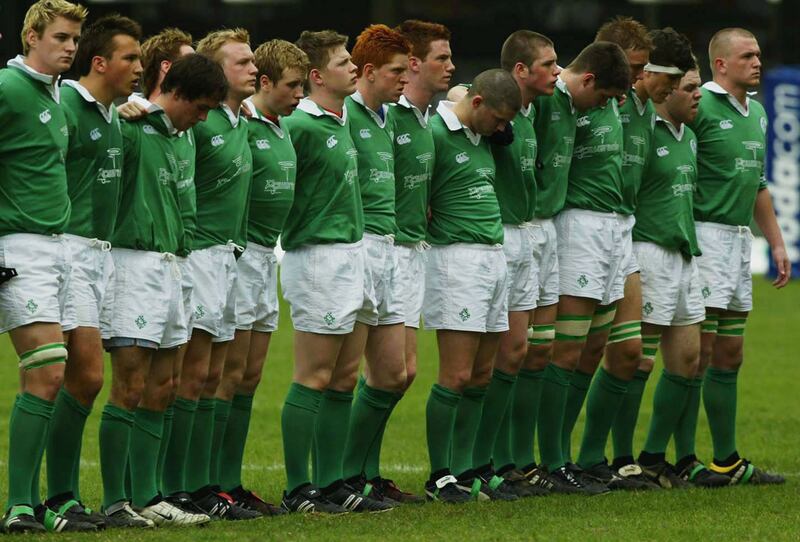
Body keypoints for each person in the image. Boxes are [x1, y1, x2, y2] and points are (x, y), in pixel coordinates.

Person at [97, 52, 226, 527]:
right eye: (201, 107)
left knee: (165, 386)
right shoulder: (131, 126)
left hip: (176, 266)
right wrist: (120, 108)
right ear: (178, 94)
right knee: (129, 385)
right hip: (134, 264)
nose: (204, 118)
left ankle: (149, 496)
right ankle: (115, 502)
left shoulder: (184, 137)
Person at [570, 23, 695, 490]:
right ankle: (553, 460)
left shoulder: (643, 111)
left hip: (621, 235)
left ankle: (597, 459)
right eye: (667, 76)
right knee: (561, 354)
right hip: (582, 232)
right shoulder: (603, 104)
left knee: (625, 354)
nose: (671, 87)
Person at [278, 30, 390, 514]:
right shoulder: (298, 124)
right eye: (343, 63)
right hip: (318, 257)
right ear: (317, 76)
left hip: (354, 254)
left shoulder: (343, 119)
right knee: (314, 375)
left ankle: (332, 483)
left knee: (345, 376)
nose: (353, 68)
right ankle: (298, 488)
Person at [39, 15, 142, 529]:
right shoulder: (66, 106)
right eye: (130, 58)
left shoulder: (114, 114)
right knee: (82, 375)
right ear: (100, 63)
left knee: (82, 379)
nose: (139, 68)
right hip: (69, 249)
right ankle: (56, 496)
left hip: (102, 254)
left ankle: (64, 497)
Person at [0, 0, 88, 533]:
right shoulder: (7, 88)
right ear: (31, 36)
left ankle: (46, 502)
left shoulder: (55, 94)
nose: (71, 47)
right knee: (48, 369)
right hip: (19, 247)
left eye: (75, 39)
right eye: (60, 37)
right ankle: (17, 505)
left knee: (66, 376)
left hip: (60, 247)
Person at [690, 27, 788, 484]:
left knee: (730, 353)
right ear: (721, 64)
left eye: (759, 54)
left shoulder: (759, 112)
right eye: (747, 55)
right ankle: (678, 458)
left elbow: (758, 183)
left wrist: (776, 241)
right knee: (697, 354)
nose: (757, 62)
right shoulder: (700, 106)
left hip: (737, 241)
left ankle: (726, 459)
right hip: (704, 238)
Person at [531, 40, 630, 494]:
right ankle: (550, 461)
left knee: (588, 349)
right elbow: (477, 95)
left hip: (608, 229)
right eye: (605, 96)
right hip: (574, 227)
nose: (609, 105)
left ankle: (562, 457)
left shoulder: (581, 103)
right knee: (563, 352)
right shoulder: (548, 98)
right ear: (588, 80)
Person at [169, 28, 260, 520]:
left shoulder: (240, 119)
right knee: (192, 375)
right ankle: (177, 486)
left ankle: (203, 484)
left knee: (213, 377)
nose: (253, 69)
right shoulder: (199, 124)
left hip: (229, 257)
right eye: (241, 62)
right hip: (200, 253)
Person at [216, 38, 308, 515]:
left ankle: (230, 481)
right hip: (237, 254)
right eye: (292, 85)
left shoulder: (283, 125)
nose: (300, 94)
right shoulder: (241, 123)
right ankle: (211, 483)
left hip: (265, 257)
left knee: (249, 377)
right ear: (266, 83)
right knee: (226, 375)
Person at [422, 69, 520, 503]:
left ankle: (467, 469)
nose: (501, 129)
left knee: (482, 374)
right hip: (455, 259)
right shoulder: (436, 133)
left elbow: (502, 131)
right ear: (477, 103)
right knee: (457, 374)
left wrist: (495, 126)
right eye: (497, 119)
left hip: (493, 257)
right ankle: (439, 476)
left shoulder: (483, 134)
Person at [631, 65, 730, 489]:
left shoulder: (688, 136)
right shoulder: (643, 132)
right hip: (649, 250)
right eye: (689, 88)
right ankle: (617, 460)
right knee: (635, 362)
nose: (697, 95)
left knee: (689, 361)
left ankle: (656, 457)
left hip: (684, 255)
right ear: (666, 91)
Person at [473, 29, 560, 498]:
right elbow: (462, 103)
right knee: (496, 357)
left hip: (528, 234)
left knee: (519, 352)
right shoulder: (492, 111)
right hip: (498, 237)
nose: (557, 71)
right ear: (521, 70)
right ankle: (482, 461)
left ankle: (508, 462)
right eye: (548, 64)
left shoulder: (532, 112)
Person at [338, 24, 419, 503]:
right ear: (368, 71)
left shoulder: (388, 115)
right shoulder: (344, 114)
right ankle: (346, 475)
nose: (404, 79)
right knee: (343, 375)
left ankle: (362, 474)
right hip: (358, 247)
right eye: (396, 71)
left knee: (395, 375)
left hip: (391, 248)